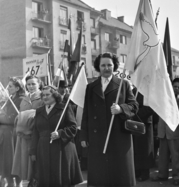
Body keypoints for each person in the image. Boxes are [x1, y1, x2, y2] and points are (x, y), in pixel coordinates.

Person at [80, 52, 138, 187]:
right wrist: (83, 136)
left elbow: (134, 106)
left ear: (115, 66)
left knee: (119, 175)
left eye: (109, 65)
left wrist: (121, 109)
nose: (106, 68)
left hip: (118, 137)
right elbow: (87, 113)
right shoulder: (90, 87)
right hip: (97, 138)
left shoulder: (123, 84)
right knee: (100, 175)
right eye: (103, 65)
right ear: (98, 67)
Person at [30, 85, 83, 187]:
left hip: (61, 148)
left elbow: (73, 127)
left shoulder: (64, 108)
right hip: (43, 149)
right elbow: (35, 132)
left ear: (55, 95)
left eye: (48, 95)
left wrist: (60, 133)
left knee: (62, 179)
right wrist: (33, 151)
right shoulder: (39, 111)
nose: (45, 97)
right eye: (43, 95)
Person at [152, 78, 179, 186]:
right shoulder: (163, 99)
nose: (176, 89)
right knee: (162, 155)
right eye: (174, 86)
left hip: (174, 132)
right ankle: (162, 174)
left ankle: (177, 176)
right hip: (163, 131)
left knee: (175, 156)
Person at [12, 75, 44, 185]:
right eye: (28, 84)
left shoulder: (43, 97)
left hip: (37, 135)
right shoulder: (25, 99)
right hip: (25, 137)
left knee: (36, 165)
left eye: (33, 84)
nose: (30, 86)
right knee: (26, 166)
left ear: (39, 84)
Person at [0, 78, 26, 187]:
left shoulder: (20, 99)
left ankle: (16, 184)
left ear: (17, 88)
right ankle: (10, 182)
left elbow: (13, 118)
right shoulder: (10, 98)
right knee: (6, 162)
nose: (7, 88)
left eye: (10, 86)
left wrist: (1, 116)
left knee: (12, 161)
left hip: (12, 135)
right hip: (6, 135)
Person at [132, 89, 155, 182]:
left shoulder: (148, 90)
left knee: (145, 148)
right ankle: (137, 171)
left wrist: (134, 114)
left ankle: (145, 173)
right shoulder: (133, 90)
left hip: (145, 123)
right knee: (136, 148)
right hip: (134, 123)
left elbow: (150, 108)